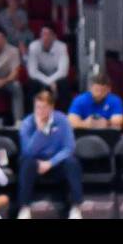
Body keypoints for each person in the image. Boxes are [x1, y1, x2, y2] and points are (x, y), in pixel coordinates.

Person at [16, 90, 83, 219]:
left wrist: (50, 163)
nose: (40, 111)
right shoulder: (27, 123)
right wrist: (39, 132)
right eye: (38, 107)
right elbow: (27, 151)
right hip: (35, 162)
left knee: (72, 163)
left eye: (44, 107)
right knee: (26, 162)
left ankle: (76, 207)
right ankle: (24, 208)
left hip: (56, 162)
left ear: (52, 107)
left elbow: (69, 148)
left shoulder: (62, 120)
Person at [26, 26, 72, 106]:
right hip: (40, 76)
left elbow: (63, 72)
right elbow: (32, 72)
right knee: (32, 83)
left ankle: (64, 114)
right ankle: (32, 114)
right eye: (43, 34)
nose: (45, 37)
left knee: (64, 83)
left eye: (48, 34)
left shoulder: (62, 47)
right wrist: (48, 82)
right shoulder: (33, 46)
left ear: (54, 37)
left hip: (56, 76)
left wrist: (50, 80)